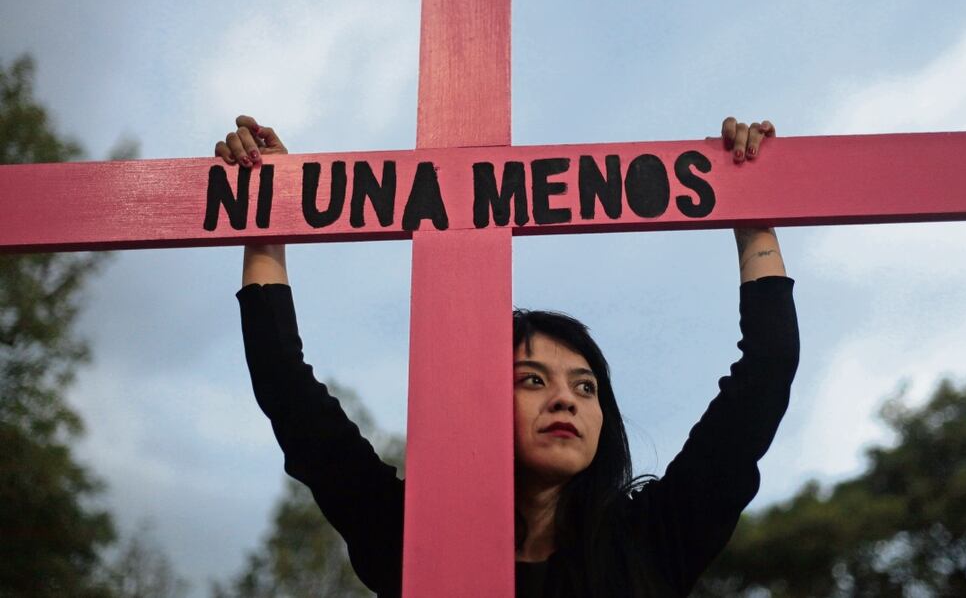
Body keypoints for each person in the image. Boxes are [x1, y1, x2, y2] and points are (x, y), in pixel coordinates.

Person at [218, 115, 799, 597]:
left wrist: (752, 219)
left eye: (586, 386)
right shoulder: (411, 535)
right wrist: (268, 214)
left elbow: (765, 373)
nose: (565, 398)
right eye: (531, 379)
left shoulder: (656, 535)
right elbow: (289, 392)